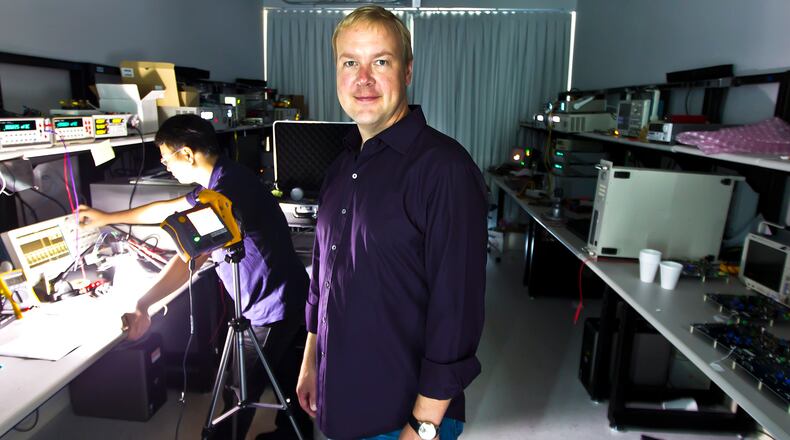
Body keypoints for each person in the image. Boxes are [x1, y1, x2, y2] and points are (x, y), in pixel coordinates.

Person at [296, 6, 488, 440]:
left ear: (407, 72)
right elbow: (324, 277)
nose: (363, 78)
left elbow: (455, 312)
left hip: (402, 416)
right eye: (350, 63)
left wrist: (421, 427)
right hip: (339, 395)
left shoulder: (444, 170)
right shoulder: (342, 166)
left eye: (380, 61)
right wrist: (312, 361)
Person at [78, 114, 311, 440]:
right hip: (291, 295)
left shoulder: (223, 195)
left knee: (240, 392)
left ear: (187, 153)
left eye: (165, 157)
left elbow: (191, 256)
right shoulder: (226, 178)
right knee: (288, 378)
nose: (164, 164)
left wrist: (144, 304)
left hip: (267, 308)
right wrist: (106, 217)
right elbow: (166, 208)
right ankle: (289, 435)